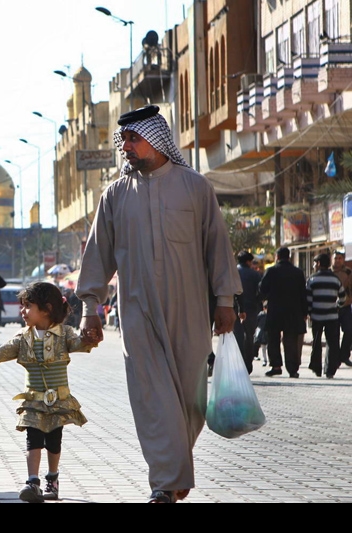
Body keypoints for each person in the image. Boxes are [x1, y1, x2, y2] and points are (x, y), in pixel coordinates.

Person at [76, 105, 241, 504]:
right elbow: (99, 254)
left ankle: (174, 469)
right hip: (137, 311)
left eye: (134, 138)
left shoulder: (194, 186)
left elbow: (217, 246)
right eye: (124, 140)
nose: (127, 147)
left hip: (190, 312)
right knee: (152, 399)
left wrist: (224, 301)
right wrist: (90, 309)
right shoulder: (115, 194)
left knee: (191, 401)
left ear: (156, 137)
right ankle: (165, 483)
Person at [0, 281, 94, 503]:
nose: (22, 311)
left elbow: (80, 344)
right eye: (22, 306)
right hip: (33, 401)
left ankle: (52, 479)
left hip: (59, 401)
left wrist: (90, 339)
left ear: (47, 309)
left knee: (54, 442)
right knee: (33, 438)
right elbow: (3, 351)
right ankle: (32, 482)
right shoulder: (23, 337)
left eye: (27, 306)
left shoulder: (64, 334)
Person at [259, 246, 308, 378]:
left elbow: (262, 289)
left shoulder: (271, 271)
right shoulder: (298, 272)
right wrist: (305, 312)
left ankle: (276, 366)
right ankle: (292, 369)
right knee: (291, 340)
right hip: (293, 311)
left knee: (273, 339)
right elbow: (303, 294)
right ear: (289, 257)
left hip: (275, 311)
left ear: (277, 257)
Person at [306, 253, 345, 379]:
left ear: (318, 264)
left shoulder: (312, 279)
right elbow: (343, 297)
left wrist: (310, 312)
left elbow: (308, 300)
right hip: (332, 317)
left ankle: (317, 369)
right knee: (332, 344)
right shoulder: (335, 279)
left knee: (316, 343)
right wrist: (337, 307)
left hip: (317, 316)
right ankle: (330, 370)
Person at [234, 250, 263, 374]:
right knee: (249, 336)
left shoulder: (233, 272)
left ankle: (237, 363)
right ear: (248, 261)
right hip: (251, 309)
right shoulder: (255, 275)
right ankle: (247, 364)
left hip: (234, 308)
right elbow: (261, 292)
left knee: (237, 336)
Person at [332, 250, 352, 366]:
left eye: (340, 258)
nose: (337, 260)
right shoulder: (328, 272)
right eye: (335, 258)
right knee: (334, 334)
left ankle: (344, 355)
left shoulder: (348, 272)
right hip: (332, 308)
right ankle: (335, 359)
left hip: (346, 306)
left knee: (349, 331)